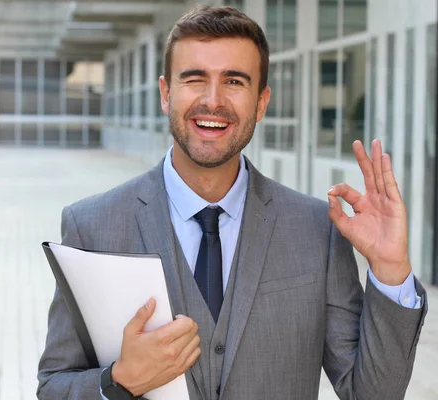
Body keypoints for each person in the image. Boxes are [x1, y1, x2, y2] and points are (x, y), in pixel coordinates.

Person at [37, 6, 427, 400]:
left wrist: (391, 269)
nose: (213, 100)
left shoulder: (316, 230)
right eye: (194, 79)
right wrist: (118, 381)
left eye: (234, 81)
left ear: (261, 102)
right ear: (165, 93)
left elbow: (370, 394)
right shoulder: (92, 224)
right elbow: (54, 385)